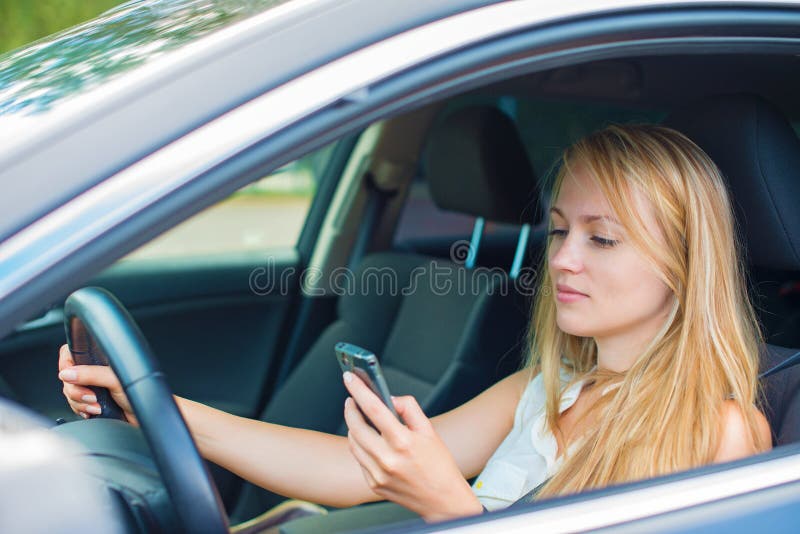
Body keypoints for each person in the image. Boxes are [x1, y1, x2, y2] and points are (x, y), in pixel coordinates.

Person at [57, 124, 772, 523]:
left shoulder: (721, 434)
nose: (563, 262)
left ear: (684, 264)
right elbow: (344, 469)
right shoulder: (547, 387)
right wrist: (160, 411)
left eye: (602, 238)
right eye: (557, 233)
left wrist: (446, 502)